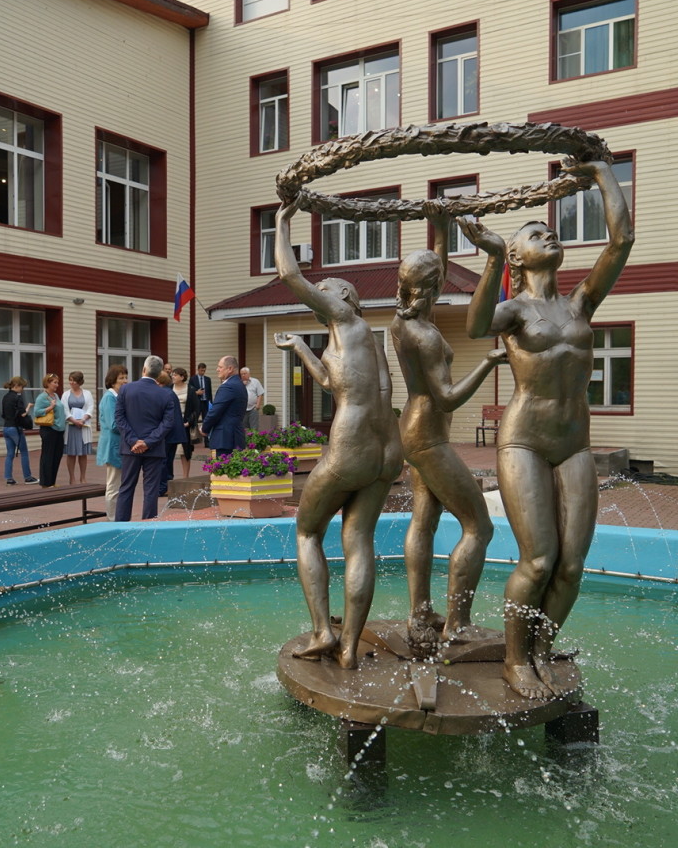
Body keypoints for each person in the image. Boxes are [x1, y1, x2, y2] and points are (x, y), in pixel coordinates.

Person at [466, 159, 634, 699]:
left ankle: (541, 648)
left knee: (572, 566)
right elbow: (474, 326)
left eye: (551, 230)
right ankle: (516, 661)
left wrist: (603, 173)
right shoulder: (514, 311)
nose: (550, 235)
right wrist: (492, 257)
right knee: (538, 560)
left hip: (574, 443)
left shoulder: (581, 303)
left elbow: (622, 240)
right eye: (536, 234)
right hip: (525, 440)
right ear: (517, 256)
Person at [273, 199, 403, 670]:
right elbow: (333, 383)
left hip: (351, 443)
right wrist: (301, 348)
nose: (318, 296)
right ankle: (348, 648)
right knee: (358, 540)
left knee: (307, 530)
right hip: (386, 448)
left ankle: (322, 632)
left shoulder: (346, 318)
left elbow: (290, 276)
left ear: (344, 297)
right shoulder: (362, 338)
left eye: (325, 290)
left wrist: (282, 222)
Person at [391, 203, 507, 652]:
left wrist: (439, 228)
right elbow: (447, 397)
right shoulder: (426, 336)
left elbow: (429, 278)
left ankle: (420, 613)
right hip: (429, 435)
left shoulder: (405, 321)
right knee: (479, 526)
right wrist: (488, 363)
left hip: (412, 427)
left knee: (423, 520)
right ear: (434, 288)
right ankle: (458, 623)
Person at [114, 355, 175, 521]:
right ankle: (148, 526)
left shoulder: (126, 389)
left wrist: (133, 440)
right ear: (160, 373)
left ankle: (121, 525)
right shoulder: (166, 394)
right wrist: (148, 442)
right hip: (154, 448)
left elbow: (119, 417)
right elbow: (167, 423)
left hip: (130, 448)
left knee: (126, 487)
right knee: (151, 490)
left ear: (144, 369)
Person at [96, 364, 129, 518]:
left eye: (126, 377)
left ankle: (118, 517)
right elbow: (114, 425)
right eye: (121, 378)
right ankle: (112, 519)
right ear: (112, 380)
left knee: (118, 485)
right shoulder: (109, 398)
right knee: (113, 486)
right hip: (113, 446)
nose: (125, 381)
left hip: (119, 445)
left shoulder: (118, 397)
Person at [201, 356, 247, 458]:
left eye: (220, 367)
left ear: (230, 369)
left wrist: (204, 428)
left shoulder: (228, 386)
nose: (217, 369)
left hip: (225, 437)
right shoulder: (239, 384)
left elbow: (215, 411)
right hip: (234, 435)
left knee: (224, 467)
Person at [32, 373, 67, 487]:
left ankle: (52, 481)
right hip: (49, 429)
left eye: (57, 382)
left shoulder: (55, 395)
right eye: (54, 382)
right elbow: (36, 412)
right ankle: (45, 483)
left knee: (57, 456)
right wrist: (50, 407)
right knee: (48, 456)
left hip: (59, 430)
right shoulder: (42, 397)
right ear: (47, 383)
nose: (57, 385)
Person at [166, 367, 200, 482]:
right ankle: (169, 478)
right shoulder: (169, 388)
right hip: (171, 425)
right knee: (169, 452)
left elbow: (196, 409)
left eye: (175, 375)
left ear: (182, 377)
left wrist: (189, 422)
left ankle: (185, 477)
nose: (173, 377)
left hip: (184, 425)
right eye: (172, 374)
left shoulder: (191, 390)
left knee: (184, 452)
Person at [0, 377, 37, 486]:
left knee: (10, 454)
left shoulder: (5, 397)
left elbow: (3, 414)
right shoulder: (17, 397)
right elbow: (22, 414)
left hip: (6, 427)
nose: (22, 389)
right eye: (22, 387)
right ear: (16, 386)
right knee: (24, 452)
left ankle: (9, 478)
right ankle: (28, 477)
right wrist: (28, 407)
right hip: (15, 428)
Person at [62, 371, 95, 485]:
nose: (71, 382)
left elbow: (90, 407)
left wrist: (83, 419)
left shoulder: (87, 393)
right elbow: (65, 409)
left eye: (74, 380)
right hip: (71, 427)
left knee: (83, 453)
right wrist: (74, 421)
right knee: (71, 454)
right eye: (70, 380)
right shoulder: (66, 394)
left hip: (83, 426)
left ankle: (83, 477)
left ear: (80, 382)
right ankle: (72, 478)